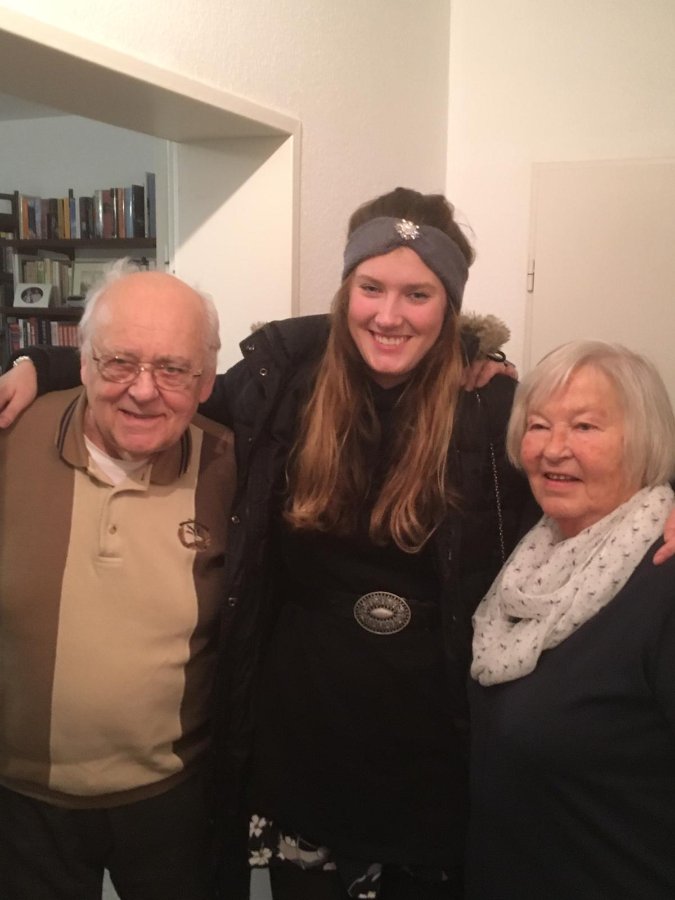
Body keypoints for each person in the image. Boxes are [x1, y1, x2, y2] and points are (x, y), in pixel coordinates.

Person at [1, 189, 675, 899]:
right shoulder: (280, 386)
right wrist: (39, 365)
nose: (389, 314)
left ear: (449, 305)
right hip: (299, 755)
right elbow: (168, 383)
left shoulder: (490, 405)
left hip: (433, 766)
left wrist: (668, 497)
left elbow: (601, 456)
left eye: (418, 294)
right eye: (371, 287)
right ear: (346, 289)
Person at [0, 263, 236, 900]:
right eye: (120, 363)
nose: (143, 390)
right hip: (19, 804)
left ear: (206, 381)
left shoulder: (232, 466)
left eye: (173, 369)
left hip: (176, 800)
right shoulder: (10, 436)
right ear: (83, 362)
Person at [468, 340, 675, 899]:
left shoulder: (664, 579)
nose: (554, 449)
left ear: (644, 440)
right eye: (538, 426)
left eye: (585, 427)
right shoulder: (528, 559)